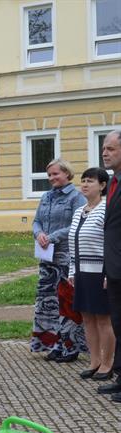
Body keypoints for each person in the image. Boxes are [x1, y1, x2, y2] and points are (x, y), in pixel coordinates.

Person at [30, 158, 86, 361]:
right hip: (47, 259)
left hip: (65, 258)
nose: (52, 178)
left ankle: (70, 347)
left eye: (56, 174)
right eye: (49, 175)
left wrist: (51, 237)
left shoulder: (76, 197)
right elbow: (36, 221)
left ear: (67, 174)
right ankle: (53, 344)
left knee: (66, 302)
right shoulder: (46, 197)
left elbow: (77, 224)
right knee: (48, 303)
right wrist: (38, 234)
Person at [68, 168, 114, 381]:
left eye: (90, 181)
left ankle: (108, 363)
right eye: (83, 181)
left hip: (100, 273)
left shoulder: (107, 209)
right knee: (87, 319)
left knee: (104, 320)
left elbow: (112, 244)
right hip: (81, 273)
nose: (85, 185)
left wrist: (109, 272)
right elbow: (72, 244)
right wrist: (72, 271)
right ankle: (94, 361)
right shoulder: (79, 211)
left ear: (103, 186)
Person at [100, 130, 121, 402]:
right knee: (119, 325)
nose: (105, 152)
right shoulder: (114, 182)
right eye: (104, 148)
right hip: (115, 268)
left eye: (111, 149)